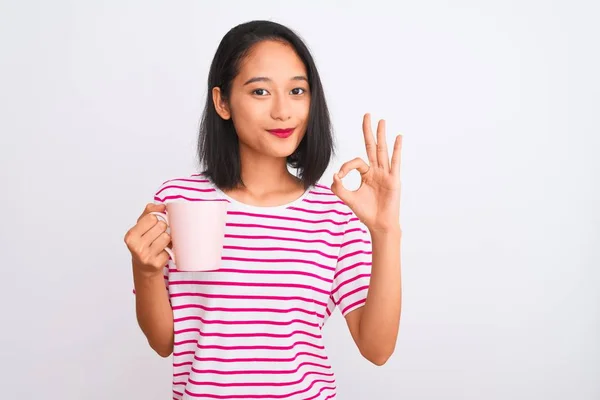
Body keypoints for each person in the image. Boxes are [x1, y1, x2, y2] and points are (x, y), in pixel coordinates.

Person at [124, 20, 403, 400]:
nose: (283, 111)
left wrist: (386, 232)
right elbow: (164, 342)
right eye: (260, 91)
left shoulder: (333, 214)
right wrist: (145, 270)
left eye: (296, 90)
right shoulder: (179, 199)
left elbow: (377, 349)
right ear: (222, 102)